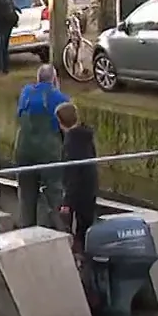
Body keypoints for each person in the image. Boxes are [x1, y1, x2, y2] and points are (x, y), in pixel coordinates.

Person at [14, 63, 72, 229]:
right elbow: (68, 126)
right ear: (54, 79)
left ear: (37, 78)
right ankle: (60, 232)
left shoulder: (25, 92)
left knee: (26, 195)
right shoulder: (60, 98)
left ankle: (27, 230)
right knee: (55, 193)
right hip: (49, 153)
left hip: (23, 151)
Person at [55, 101, 98, 244]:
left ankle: (77, 253)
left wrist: (66, 203)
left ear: (60, 122)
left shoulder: (70, 143)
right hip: (90, 186)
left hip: (78, 192)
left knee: (75, 229)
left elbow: (71, 173)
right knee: (85, 224)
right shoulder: (86, 136)